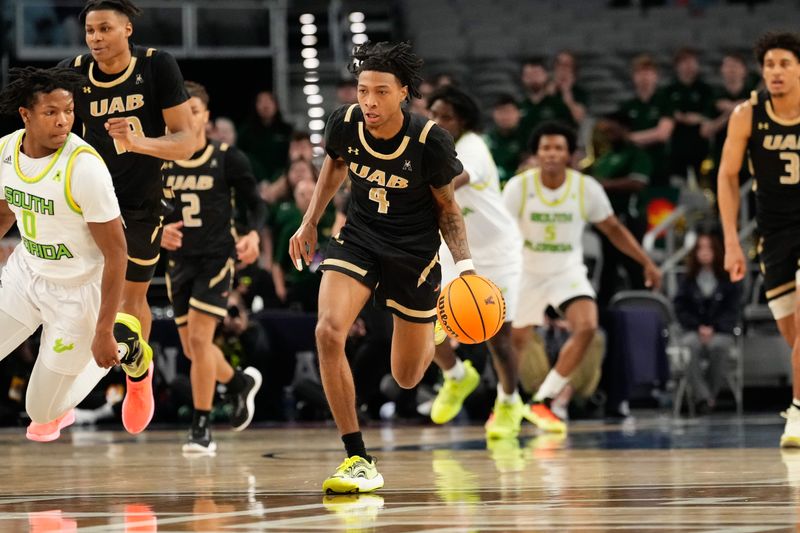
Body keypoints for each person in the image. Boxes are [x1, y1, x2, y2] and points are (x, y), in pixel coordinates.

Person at [289, 41, 472, 493]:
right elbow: (333, 165)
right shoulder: (346, 122)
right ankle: (358, 457)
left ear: (404, 92)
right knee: (327, 331)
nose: (369, 101)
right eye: (363, 90)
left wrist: (465, 268)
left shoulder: (430, 140)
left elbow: (448, 208)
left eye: (381, 92)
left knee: (407, 376)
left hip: (414, 255)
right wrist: (310, 220)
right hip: (360, 239)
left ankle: (431, 327)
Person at [58, 0, 196, 435]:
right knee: (69, 301)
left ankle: (139, 377)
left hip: (141, 202)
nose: (96, 38)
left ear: (127, 29)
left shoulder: (157, 67)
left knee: (128, 303)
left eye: (104, 29)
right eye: (90, 31)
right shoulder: (73, 72)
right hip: (88, 201)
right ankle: (59, 395)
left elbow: (187, 142)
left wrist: (139, 143)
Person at [503, 121, 661, 433]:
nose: (551, 153)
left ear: (571, 155)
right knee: (514, 341)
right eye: (545, 148)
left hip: (566, 269)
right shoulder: (518, 187)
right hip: (527, 270)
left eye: (558, 148)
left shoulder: (585, 187)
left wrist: (646, 262)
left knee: (587, 326)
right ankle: (505, 403)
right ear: (535, 154)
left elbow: (614, 229)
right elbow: (499, 233)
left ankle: (545, 400)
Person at [0, 66, 126, 441]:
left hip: (77, 292)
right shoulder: (6, 150)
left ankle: (121, 345)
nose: (63, 121)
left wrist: (103, 330)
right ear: (26, 115)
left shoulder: (84, 168)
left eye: (69, 111)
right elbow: (6, 210)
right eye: (51, 112)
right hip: (27, 277)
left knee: (39, 413)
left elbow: (118, 253)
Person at [160, 81, 265, 454]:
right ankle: (237, 383)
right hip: (179, 262)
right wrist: (159, 234)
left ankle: (201, 428)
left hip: (217, 258)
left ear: (205, 116)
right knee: (192, 351)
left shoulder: (227, 157)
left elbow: (256, 204)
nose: (187, 118)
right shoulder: (160, 158)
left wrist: (252, 234)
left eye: (195, 111)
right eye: (180, 112)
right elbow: (142, 211)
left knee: (202, 342)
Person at [425, 85, 524, 439]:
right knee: (424, 325)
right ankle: (456, 376)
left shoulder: (473, 147)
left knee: (498, 338)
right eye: (433, 114)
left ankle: (510, 401)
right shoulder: (427, 147)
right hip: (454, 250)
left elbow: (451, 181)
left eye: (446, 116)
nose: (437, 121)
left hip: (496, 253)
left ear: (464, 120)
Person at [718, 32, 800, 447]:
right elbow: (728, 176)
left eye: (785, 63)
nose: (776, 72)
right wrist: (732, 242)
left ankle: (798, 413)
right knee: (793, 335)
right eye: (770, 65)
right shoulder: (747, 115)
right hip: (775, 232)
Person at [673, 233, 739, 413]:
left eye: (708, 248)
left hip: (720, 331)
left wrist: (715, 328)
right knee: (689, 347)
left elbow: (732, 309)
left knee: (719, 346)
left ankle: (708, 396)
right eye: (700, 248)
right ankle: (705, 397)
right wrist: (697, 327)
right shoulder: (687, 280)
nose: (704, 252)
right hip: (693, 330)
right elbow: (680, 308)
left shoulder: (727, 279)